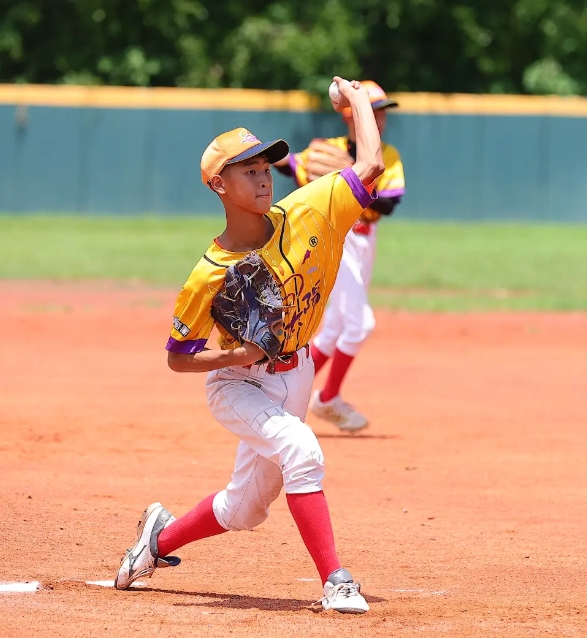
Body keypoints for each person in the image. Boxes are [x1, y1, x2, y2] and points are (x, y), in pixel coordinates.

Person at [113, 76, 385, 615]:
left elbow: (371, 164)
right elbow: (178, 357)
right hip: (237, 384)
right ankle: (336, 582)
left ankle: (157, 541)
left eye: (266, 168)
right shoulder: (209, 272)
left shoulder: (310, 210)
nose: (263, 178)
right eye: (249, 170)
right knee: (302, 450)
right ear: (219, 184)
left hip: (296, 374)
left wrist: (357, 100)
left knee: (245, 508)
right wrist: (237, 356)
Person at [274, 81, 406, 433]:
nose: (381, 120)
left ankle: (284, 396)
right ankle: (327, 397)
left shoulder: (388, 156)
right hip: (337, 239)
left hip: (365, 241)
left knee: (334, 326)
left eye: (383, 114)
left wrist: (356, 175)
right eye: (375, 113)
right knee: (360, 324)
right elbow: (291, 165)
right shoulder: (328, 149)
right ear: (352, 115)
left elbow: (389, 204)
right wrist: (261, 154)